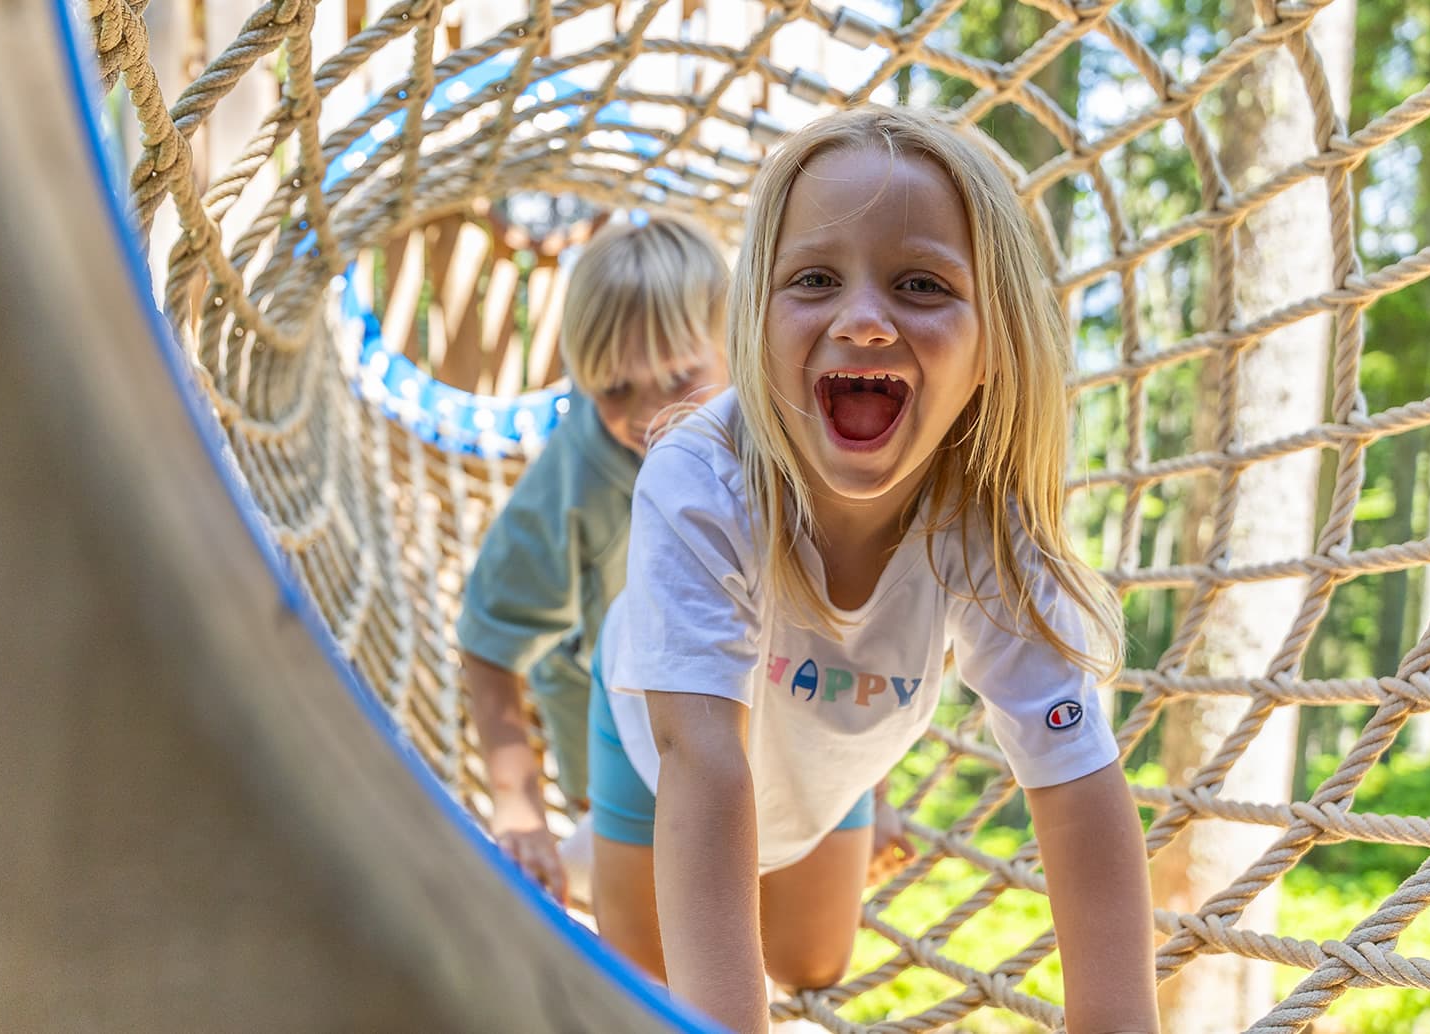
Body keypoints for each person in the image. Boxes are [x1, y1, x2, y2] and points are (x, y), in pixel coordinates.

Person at [588, 107, 1159, 1034]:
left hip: (827, 749)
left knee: (812, 960)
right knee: (643, 983)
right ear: (754, 325)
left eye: (921, 285)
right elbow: (704, 763)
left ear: (991, 348)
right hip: (658, 746)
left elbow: (1075, 779)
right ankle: (583, 851)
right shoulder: (702, 478)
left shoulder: (985, 519)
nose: (862, 319)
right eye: (814, 278)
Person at [456, 214, 731, 904]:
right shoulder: (575, 482)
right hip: (606, 738)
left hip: (735, 722)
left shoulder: (772, 434)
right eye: (613, 390)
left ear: (736, 345)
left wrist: (869, 794)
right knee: (647, 931)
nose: (650, 414)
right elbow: (490, 645)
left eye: (678, 376)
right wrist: (519, 808)